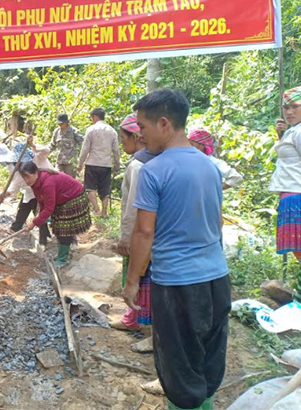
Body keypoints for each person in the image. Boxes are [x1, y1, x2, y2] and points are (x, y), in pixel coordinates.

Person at [124, 89, 230, 410]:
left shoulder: (154, 170)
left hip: (177, 284)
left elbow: (144, 232)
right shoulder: (210, 167)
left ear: (164, 124)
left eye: (143, 126)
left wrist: (131, 282)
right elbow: (216, 221)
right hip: (217, 279)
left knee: (178, 364)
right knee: (209, 358)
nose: (140, 134)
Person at [110, 114, 153, 352]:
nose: (121, 143)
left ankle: (136, 319)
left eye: (122, 138)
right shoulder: (149, 160)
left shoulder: (138, 165)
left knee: (139, 274)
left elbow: (133, 206)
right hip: (148, 231)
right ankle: (134, 317)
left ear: (136, 137)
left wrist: (126, 237)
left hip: (141, 231)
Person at [20, 161, 92, 267]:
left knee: (64, 227)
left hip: (73, 196)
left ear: (35, 173)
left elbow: (49, 208)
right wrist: (38, 218)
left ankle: (63, 259)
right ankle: (62, 254)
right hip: (62, 198)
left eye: (28, 177)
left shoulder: (47, 183)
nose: (26, 181)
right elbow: (42, 202)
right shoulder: (35, 182)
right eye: (24, 178)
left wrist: (35, 222)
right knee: (57, 225)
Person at [269, 85, 301, 303]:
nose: (289, 111)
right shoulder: (292, 130)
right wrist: (281, 135)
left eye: (295, 106)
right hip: (290, 194)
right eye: (286, 107)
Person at [0, 137, 53, 245]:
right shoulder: (21, 168)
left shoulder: (39, 157)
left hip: (47, 189)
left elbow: (46, 150)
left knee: (41, 213)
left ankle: (44, 240)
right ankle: (16, 228)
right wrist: (6, 194)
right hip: (32, 191)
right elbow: (16, 183)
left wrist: (33, 145)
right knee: (25, 207)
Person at [77, 108, 120, 217]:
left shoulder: (91, 130)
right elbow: (116, 151)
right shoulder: (112, 131)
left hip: (92, 162)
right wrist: (116, 166)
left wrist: (80, 164)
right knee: (105, 188)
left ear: (95, 117)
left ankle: (96, 209)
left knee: (90, 187)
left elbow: (85, 149)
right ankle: (104, 212)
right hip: (106, 164)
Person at [49, 113, 84, 178]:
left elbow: (83, 144)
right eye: (59, 124)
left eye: (61, 124)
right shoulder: (56, 132)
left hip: (70, 163)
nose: (60, 125)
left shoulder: (74, 131)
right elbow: (52, 145)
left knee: (70, 181)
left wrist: (81, 159)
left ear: (66, 122)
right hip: (59, 162)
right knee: (57, 179)